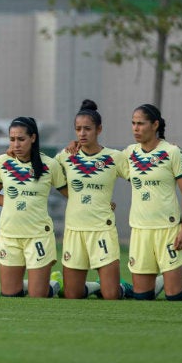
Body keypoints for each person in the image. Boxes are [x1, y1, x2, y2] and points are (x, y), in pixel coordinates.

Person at [123, 104, 182, 301]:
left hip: (168, 229)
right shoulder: (129, 153)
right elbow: (102, 166)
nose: (135, 128)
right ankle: (163, 280)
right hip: (140, 229)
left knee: (175, 296)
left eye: (140, 124)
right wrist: (76, 146)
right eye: (133, 123)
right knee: (143, 297)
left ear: (154, 125)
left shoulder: (172, 152)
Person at [54, 100, 131, 299]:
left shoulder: (114, 157)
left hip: (102, 230)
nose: (82, 133)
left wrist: (165, 147)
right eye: (78, 129)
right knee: (72, 295)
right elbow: (43, 172)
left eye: (87, 129)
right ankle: (94, 287)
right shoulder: (66, 156)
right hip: (74, 229)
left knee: (112, 296)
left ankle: (127, 288)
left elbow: (141, 178)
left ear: (99, 129)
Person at [0, 117, 67, 298]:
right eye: (12, 139)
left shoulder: (50, 165)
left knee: (37, 296)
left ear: (33, 138)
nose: (16, 144)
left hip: (38, 235)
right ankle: (35, 282)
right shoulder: (2, 162)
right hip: (9, 234)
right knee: (10, 295)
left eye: (21, 139)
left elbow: (69, 193)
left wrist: (100, 201)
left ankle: (53, 284)